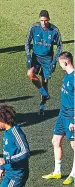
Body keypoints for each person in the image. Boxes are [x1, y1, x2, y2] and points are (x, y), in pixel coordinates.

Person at [42, 52, 75, 185]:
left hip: (71, 116)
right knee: (55, 140)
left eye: (60, 63)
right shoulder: (67, 76)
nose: (59, 66)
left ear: (66, 63)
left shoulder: (74, 78)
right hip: (62, 114)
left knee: (74, 145)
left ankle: (73, 174)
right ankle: (57, 171)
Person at [25, 10, 63, 115]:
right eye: (41, 20)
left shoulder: (54, 30)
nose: (43, 23)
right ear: (39, 19)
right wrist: (28, 55)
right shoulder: (34, 28)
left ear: (48, 19)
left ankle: (42, 107)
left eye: (45, 21)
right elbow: (27, 42)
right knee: (30, 74)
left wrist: (55, 61)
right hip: (36, 57)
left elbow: (60, 46)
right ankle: (44, 94)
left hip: (48, 59)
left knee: (45, 81)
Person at [0, 103, 30, 187]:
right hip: (10, 172)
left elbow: (26, 152)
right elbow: (7, 152)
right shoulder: (7, 132)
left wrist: (7, 161)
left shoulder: (16, 132)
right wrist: (3, 167)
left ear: (3, 120)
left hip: (17, 174)